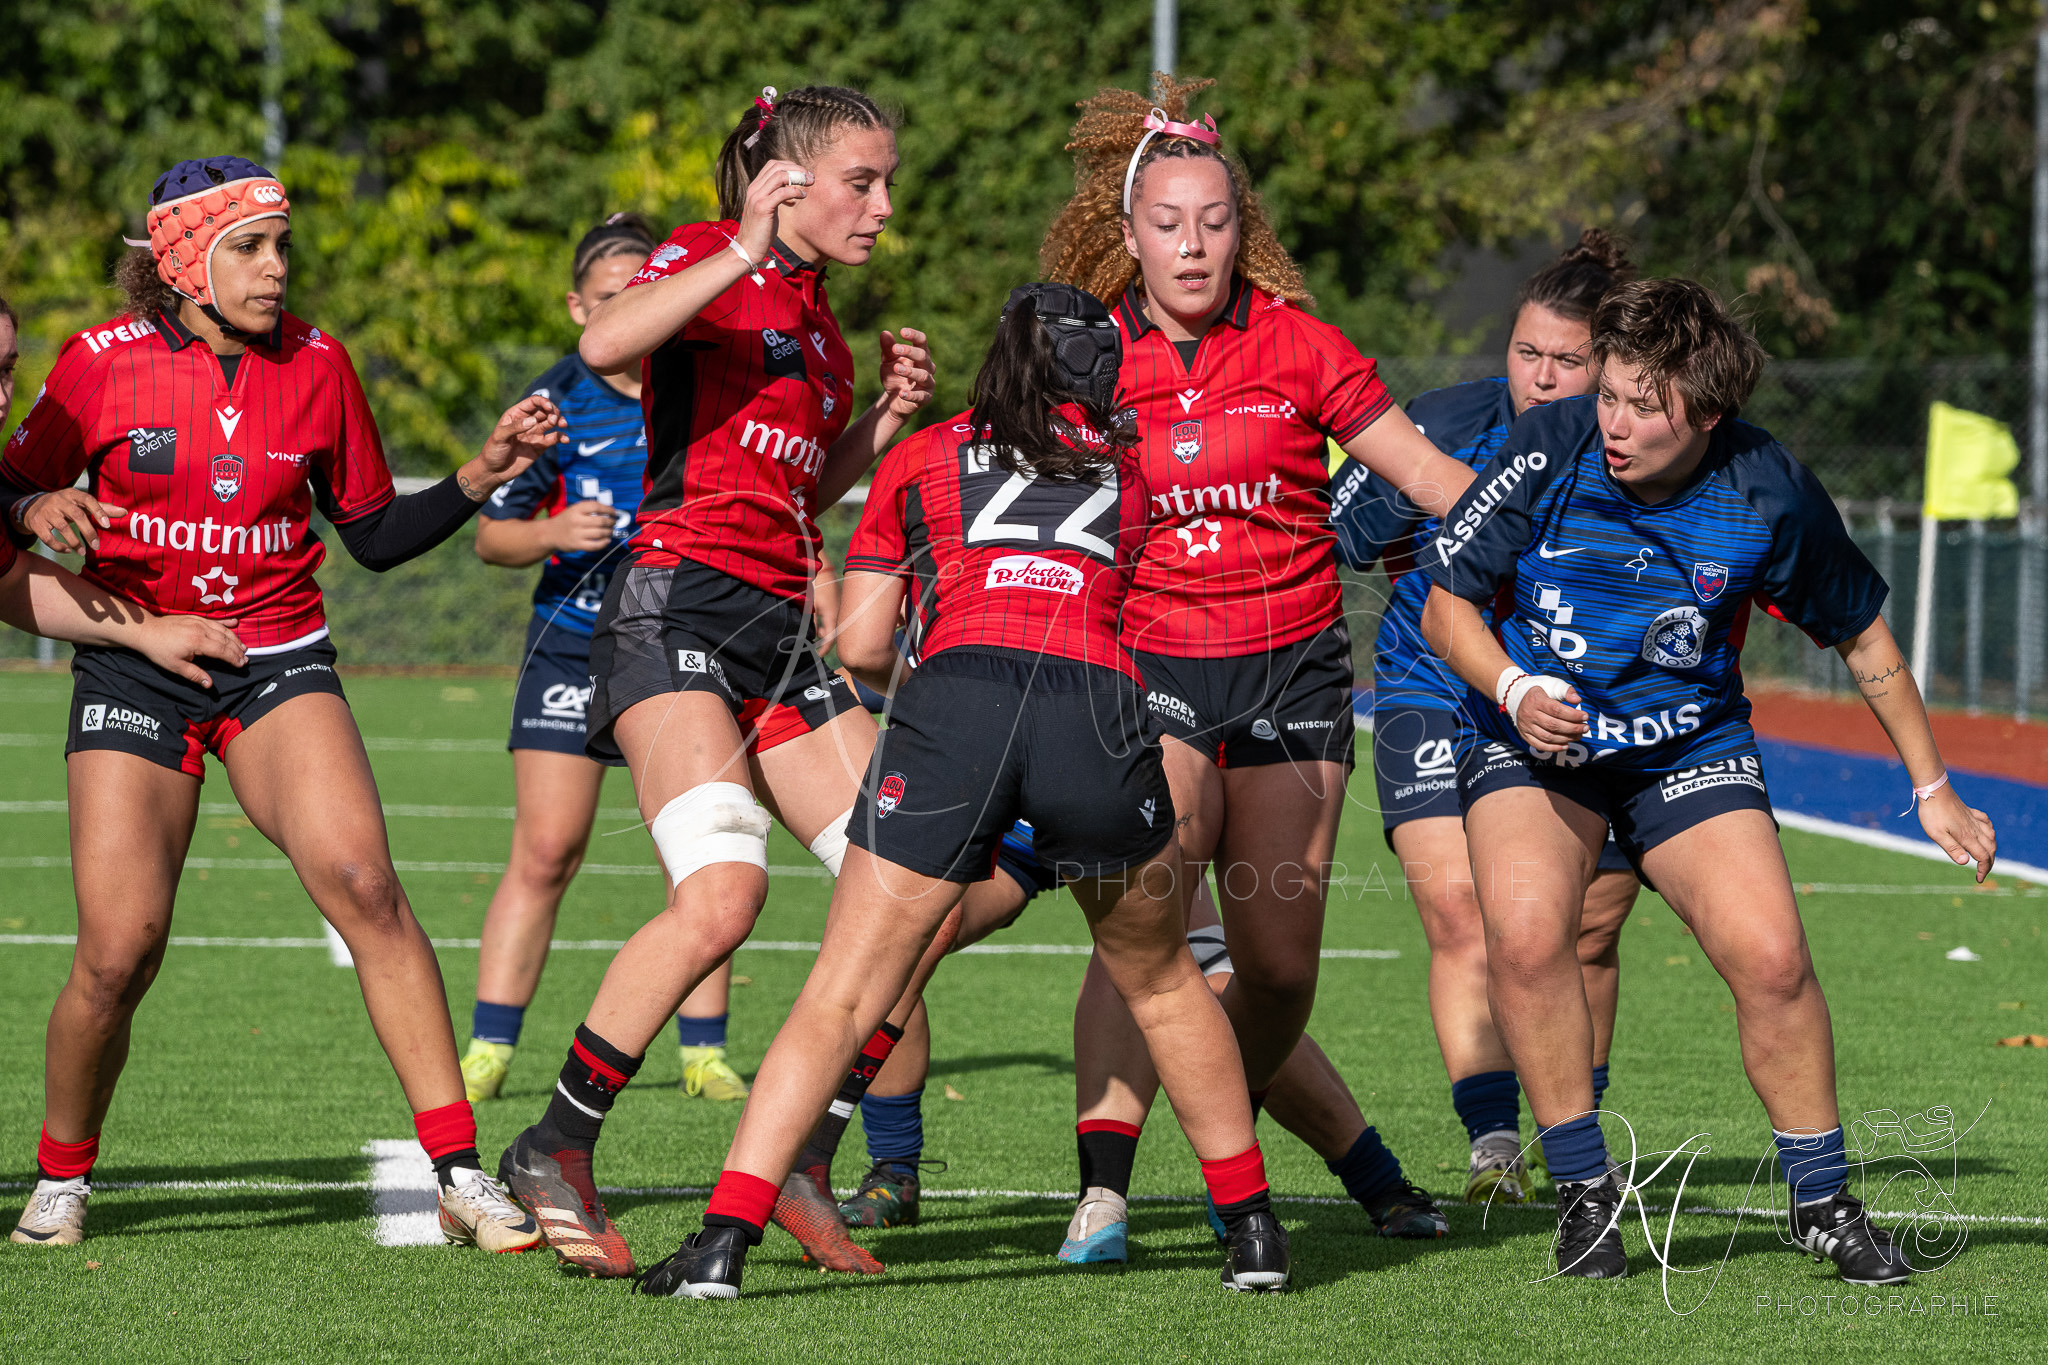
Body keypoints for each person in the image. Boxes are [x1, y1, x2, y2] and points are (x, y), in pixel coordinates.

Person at [637, 282, 1290, 1300]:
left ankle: (722, 1242)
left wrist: (949, 674)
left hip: (958, 708)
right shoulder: (1142, 467)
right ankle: (1251, 1233)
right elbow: (1172, 623)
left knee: (842, 991)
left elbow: (857, 644)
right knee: (1161, 982)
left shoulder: (923, 453)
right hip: (1095, 709)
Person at [0, 157, 561, 1252]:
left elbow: (375, 535)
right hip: (131, 661)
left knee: (366, 883)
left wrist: (479, 476)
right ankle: (63, 1173)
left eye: (282, 245)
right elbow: (5, 489)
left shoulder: (318, 363)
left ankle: (456, 1169)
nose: (275, 268)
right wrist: (33, 500)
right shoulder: (94, 366)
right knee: (119, 953)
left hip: (278, 655)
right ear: (182, 260)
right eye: (249, 246)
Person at [1419, 277, 1997, 1282]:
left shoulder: (1763, 486)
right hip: (1534, 738)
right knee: (1521, 935)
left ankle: (1819, 1200)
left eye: (1645, 407)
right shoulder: (1548, 445)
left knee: (1771, 958)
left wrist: (1931, 784)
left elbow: (1859, 636)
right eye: (1610, 393)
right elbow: (1444, 609)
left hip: (1684, 748)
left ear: (1708, 414)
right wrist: (1512, 689)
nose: (1614, 421)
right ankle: (1586, 1197)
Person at [494, 85, 942, 1280]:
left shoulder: (826, 329)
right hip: (671, 609)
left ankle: (800, 1154)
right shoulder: (708, 257)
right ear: (786, 181)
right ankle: (554, 1142)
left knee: (910, 891)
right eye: (863, 180)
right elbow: (601, 345)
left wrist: (887, 421)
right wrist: (739, 243)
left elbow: (802, 491)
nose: (884, 206)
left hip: (773, 635)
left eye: (886, 181)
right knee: (724, 895)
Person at [1038, 75, 1475, 1253]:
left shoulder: (1300, 344)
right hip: (1151, 669)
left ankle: (1222, 1115)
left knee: (1276, 966)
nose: (1191, 244)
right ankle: (1105, 1188)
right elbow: (1020, 505)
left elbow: (1430, 483)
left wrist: (1541, 549)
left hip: (1292, 678)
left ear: (1245, 229)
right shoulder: (1083, 356)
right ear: (1126, 234)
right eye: (1167, 223)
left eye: (1213, 221)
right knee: (1148, 920)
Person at [1328, 230, 1642, 1204]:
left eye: (1567, 360)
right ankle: (1493, 1143)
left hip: (1571, 704)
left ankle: (1572, 1134)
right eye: (1525, 352)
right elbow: (1339, 532)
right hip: (1429, 685)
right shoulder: (1436, 421)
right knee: (1460, 916)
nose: (1540, 378)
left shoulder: (1637, 445)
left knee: (1585, 926)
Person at [461, 214, 749, 1107]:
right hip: (569, 646)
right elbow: (490, 537)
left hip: (673, 646)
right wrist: (549, 531)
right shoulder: (555, 401)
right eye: (613, 296)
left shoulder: (701, 385)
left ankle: (703, 1053)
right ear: (580, 306)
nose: (633, 308)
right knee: (547, 848)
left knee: (694, 854)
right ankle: (489, 1046)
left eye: (646, 290)